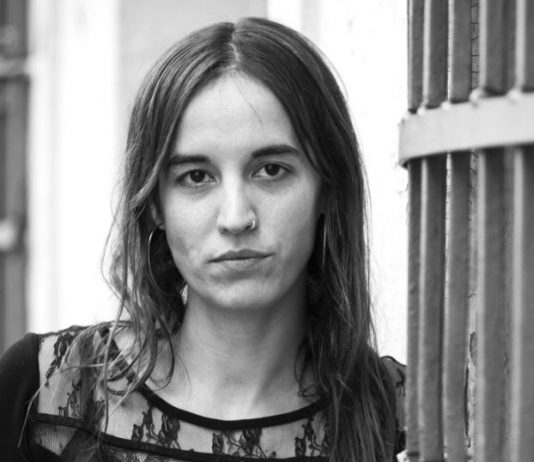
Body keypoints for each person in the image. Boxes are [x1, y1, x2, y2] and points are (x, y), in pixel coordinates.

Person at [0, 17, 405, 462]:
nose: (235, 218)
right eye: (196, 177)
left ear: (328, 188)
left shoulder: (405, 421)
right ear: (155, 203)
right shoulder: (44, 396)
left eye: (271, 170)